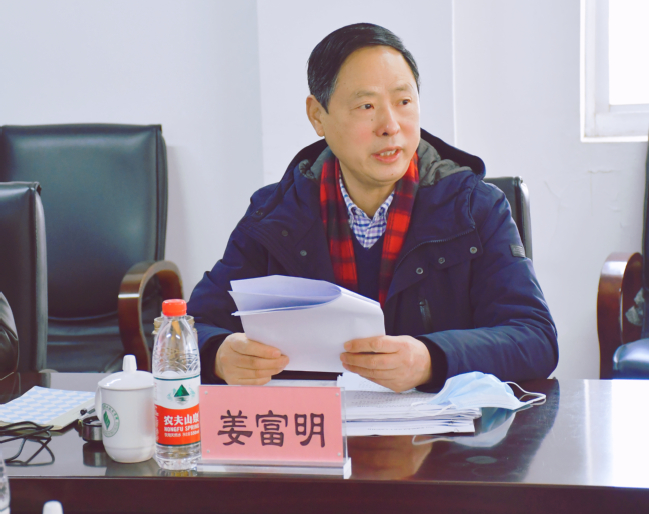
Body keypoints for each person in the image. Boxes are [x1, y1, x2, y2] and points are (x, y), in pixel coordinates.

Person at [188, 23, 558, 392]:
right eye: (366, 106)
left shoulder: (475, 208)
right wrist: (218, 353)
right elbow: (188, 327)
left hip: (440, 426)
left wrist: (431, 359)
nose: (390, 125)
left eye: (403, 102)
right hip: (315, 423)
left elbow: (535, 338)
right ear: (317, 115)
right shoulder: (275, 215)